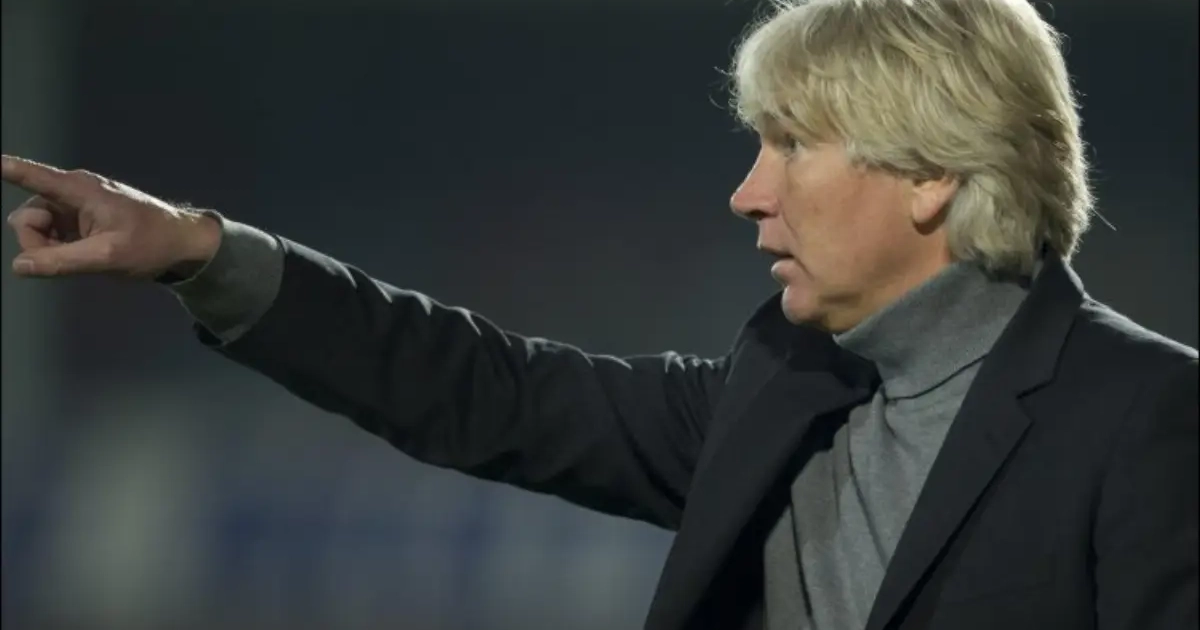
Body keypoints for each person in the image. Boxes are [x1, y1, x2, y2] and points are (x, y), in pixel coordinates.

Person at [2, 0, 1195, 628]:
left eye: (791, 143)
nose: (749, 192)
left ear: (931, 172)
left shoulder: (1149, 418)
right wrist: (197, 252)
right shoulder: (785, 380)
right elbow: (488, 392)